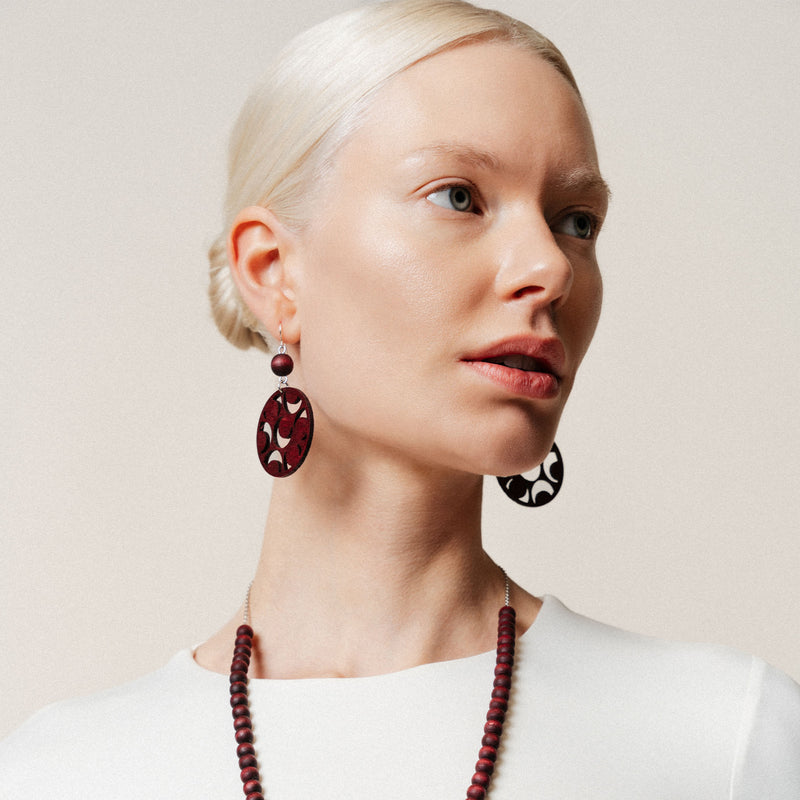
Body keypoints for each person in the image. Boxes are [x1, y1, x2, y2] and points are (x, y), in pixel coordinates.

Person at [1, 0, 798, 797]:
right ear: (275, 271)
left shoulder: (726, 740)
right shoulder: (63, 774)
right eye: (459, 197)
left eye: (576, 220)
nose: (550, 268)